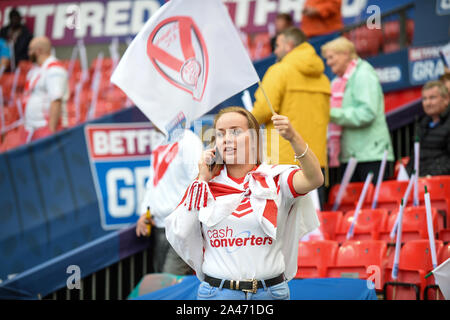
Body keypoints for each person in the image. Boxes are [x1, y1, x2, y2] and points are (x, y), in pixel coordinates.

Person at [165, 106, 323, 300]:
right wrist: (202, 178)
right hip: (217, 294)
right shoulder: (203, 185)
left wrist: (293, 138)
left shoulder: (275, 178)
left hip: (270, 293)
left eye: (236, 132)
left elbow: (314, 179)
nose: (228, 139)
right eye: (220, 134)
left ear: (255, 139)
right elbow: (181, 230)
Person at [252, 27, 330, 204]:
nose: (274, 50)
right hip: (315, 162)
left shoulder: (279, 70)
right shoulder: (323, 78)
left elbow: (262, 111)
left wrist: (241, 123)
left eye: (277, 45)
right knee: (314, 226)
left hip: (283, 161)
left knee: (284, 225)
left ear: (289, 45)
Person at [321, 37, 394, 183]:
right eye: (326, 58)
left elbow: (367, 113)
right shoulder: (337, 82)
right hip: (350, 156)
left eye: (331, 57)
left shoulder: (363, 74)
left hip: (371, 156)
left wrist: (330, 114)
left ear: (346, 54)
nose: (328, 62)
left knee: (370, 205)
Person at [136, 128, 203, 275]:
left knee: (169, 284)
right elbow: (153, 184)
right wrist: (144, 213)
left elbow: (199, 181)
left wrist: (189, 221)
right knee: (161, 280)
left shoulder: (188, 140)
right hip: (159, 226)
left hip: (181, 228)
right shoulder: (158, 142)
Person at [22, 36, 69, 142]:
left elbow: (56, 100)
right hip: (32, 128)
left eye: (30, 49)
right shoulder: (35, 70)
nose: (28, 53)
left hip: (45, 128)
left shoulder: (54, 69)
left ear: (38, 50)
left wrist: (51, 131)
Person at [406, 81, 450, 176]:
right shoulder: (422, 124)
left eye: (432, 98)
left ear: (446, 99)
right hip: (419, 182)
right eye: (424, 99)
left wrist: (429, 175)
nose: (427, 103)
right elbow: (414, 157)